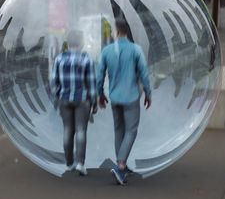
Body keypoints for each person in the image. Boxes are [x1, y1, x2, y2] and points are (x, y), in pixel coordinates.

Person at [96, 17, 152, 185]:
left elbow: (99, 75)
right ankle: (121, 165)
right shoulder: (136, 50)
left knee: (119, 130)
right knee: (131, 131)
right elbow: (144, 73)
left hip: (114, 97)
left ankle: (122, 164)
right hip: (131, 97)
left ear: (117, 31)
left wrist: (100, 94)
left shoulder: (106, 51)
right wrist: (148, 93)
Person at [51, 29, 96, 176]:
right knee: (81, 130)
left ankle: (69, 163)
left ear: (68, 43)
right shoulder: (87, 59)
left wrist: (57, 98)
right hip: (82, 100)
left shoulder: (59, 59)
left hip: (64, 99)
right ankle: (80, 164)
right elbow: (91, 84)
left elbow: (54, 82)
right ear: (81, 43)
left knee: (67, 129)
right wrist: (94, 103)